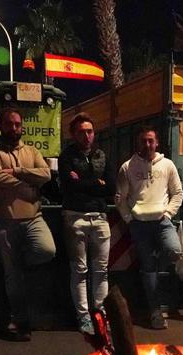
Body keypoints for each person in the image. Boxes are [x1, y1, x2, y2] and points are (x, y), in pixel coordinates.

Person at [0, 107, 57, 341]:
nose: (14, 128)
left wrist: (16, 171)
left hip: (33, 217)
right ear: (1, 125)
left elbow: (45, 174)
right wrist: (26, 184)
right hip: (4, 221)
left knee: (47, 250)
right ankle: (20, 320)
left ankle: (18, 262)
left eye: (17, 124)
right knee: (12, 276)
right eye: (9, 124)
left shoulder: (31, 150)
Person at [116, 125, 183, 329]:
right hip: (139, 225)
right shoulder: (128, 167)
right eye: (144, 141)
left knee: (174, 250)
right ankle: (155, 312)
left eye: (150, 141)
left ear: (157, 143)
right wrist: (129, 219)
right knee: (148, 270)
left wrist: (169, 213)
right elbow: (121, 197)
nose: (147, 144)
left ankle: (158, 267)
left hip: (162, 222)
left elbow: (177, 192)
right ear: (138, 143)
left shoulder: (168, 165)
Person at [59, 113, 114, 335]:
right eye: (81, 132)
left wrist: (82, 182)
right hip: (75, 217)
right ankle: (83, 317)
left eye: (90, 131)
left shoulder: (102, 155)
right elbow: (68, 186)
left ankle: (100, 315)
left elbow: (110, 188)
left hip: (100, 218)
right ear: (74, 134)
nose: (87, 136)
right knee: (79, 270)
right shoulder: (66, 157)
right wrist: (95, 184)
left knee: (101, 270)